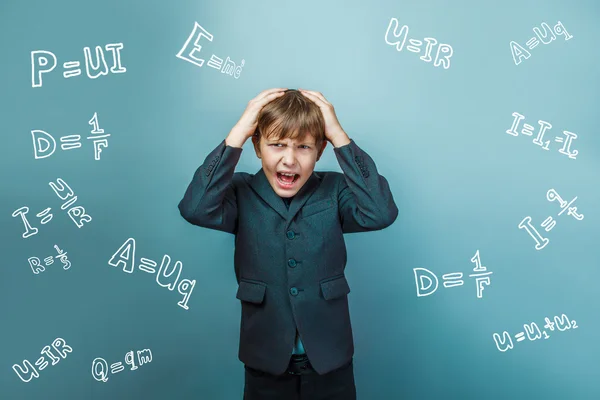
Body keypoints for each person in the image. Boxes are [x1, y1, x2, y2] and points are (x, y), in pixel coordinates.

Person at [178, 88, 398, 399]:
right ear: (258, 146)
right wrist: (239, 132)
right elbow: (195, 207)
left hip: (330, 359)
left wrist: (338, 136)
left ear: (320, 151)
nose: (289, 159)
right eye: (277, 145)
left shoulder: (335, 190)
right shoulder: (241, 192)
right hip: (265, 361)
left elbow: (380, 212)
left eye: (304, 147)